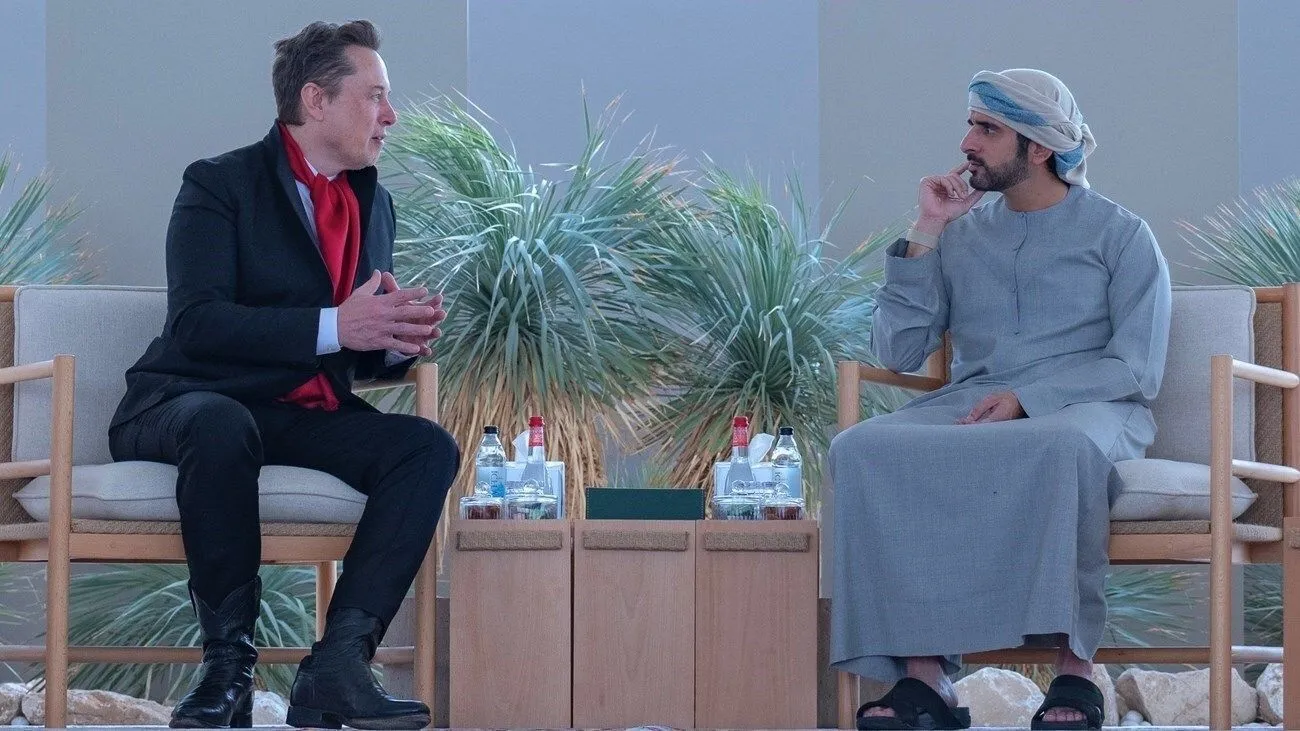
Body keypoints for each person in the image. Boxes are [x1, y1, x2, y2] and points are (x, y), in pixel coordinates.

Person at [109, 19, 460, 730]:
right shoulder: (218, 184)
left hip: (299, 413)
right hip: (190, 401)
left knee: (427, 448)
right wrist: (338, 324)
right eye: (376, 96)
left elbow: (351, 348)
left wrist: (395, 339)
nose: (391, 115)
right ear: (316, 100)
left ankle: (338, 665)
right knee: (222, 423)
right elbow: (197, 323)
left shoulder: (374, 202)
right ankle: (228, 669)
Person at [829, 68, 1171, 731]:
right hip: (973, 404)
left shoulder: (1121, 233)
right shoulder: (960, 232)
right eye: (970, 125)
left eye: (987, 129)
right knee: (863, 446)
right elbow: (898, 352)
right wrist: (928, 228)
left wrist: (1029, 398)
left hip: (1091, 406)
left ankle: (1075, 672)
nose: (967, 143)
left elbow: (1137, 365)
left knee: (1060, 445)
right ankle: (925, 676)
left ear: (1038, 147)